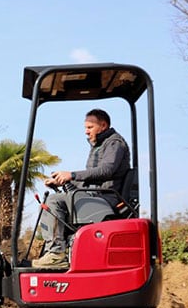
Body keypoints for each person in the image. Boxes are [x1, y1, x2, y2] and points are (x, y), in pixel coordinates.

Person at [32, 109, 131, 269]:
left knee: (53, 201)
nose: (86, 132)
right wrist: (61, 181)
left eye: (90, 127)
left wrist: (71, 175)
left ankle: (56, 253)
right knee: (56, 198)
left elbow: (106, 171)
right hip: (95, 195)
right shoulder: (98, 146)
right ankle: (58, 251)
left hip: (106, 199)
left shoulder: (114, 143)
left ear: (103, 125)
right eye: (85, 128)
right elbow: (90, 179)